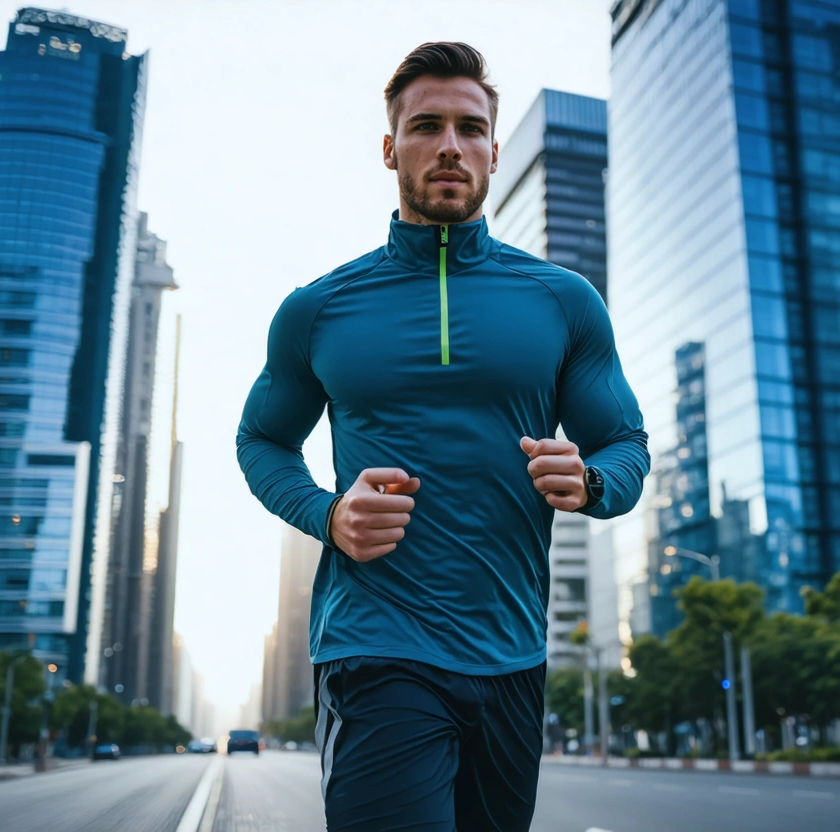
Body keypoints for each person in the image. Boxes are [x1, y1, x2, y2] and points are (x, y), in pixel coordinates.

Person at [236, 42, 649, 831]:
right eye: (427, 126)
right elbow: (261, 442)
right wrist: (328, 514)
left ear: (493, 148)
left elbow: (626, 444)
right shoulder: (318, 308)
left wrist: (590, 481)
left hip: (514, 653)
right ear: (391, 148)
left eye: (471, 127)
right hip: (375, 643)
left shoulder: (564, 301)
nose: (451, 146)